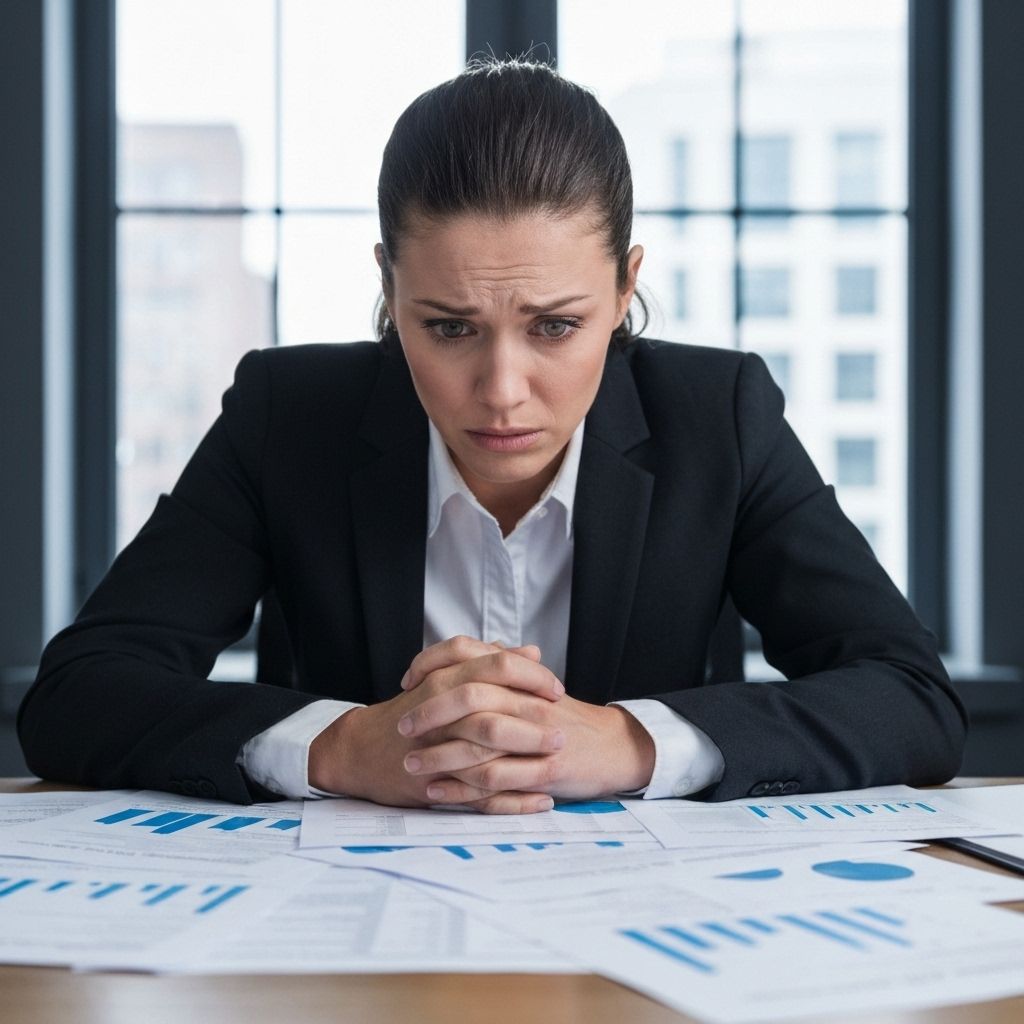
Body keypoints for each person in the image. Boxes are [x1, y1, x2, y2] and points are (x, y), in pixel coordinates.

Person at [18, 58, 966, 813]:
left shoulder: (718, 413)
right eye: (449, 327)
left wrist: (628, 743)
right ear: (389, 288)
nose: (502, 391)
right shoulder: (288, 414)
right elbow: (79, 695)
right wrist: (343, 746)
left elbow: (911, 696)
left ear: (625, 287)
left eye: (555, 325)